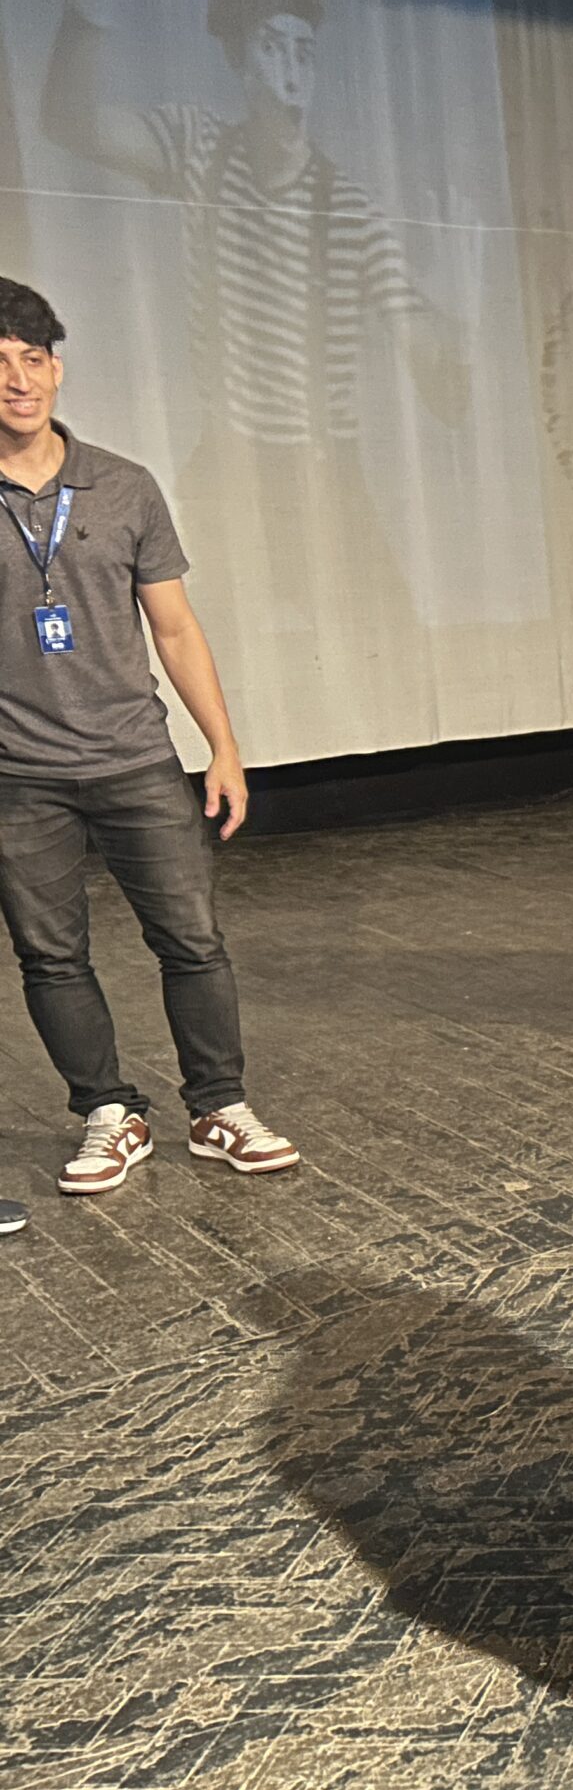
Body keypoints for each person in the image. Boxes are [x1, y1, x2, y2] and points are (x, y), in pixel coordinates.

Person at [0, 278, 299, 1196]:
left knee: (192, 940)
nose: (18, 381)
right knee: (51, 956)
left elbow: (174, 628)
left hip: (135, 758)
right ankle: (107, 1112)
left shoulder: (124, 484)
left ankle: (219, 1108)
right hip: (18, 774)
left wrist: (224, 747)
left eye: (33, 359)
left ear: (57, 369)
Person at [42, 0, 467, 635]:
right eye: (272, 47)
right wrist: (89, 13)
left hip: (324, 473)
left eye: (305, 54)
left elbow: (439, 383)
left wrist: (456, 311)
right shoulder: (202, 147)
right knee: (208, 637)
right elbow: (72, 123)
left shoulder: (346, 209)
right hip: (231, 463)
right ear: (239, 61)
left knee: (384, 632)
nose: (292, 72)